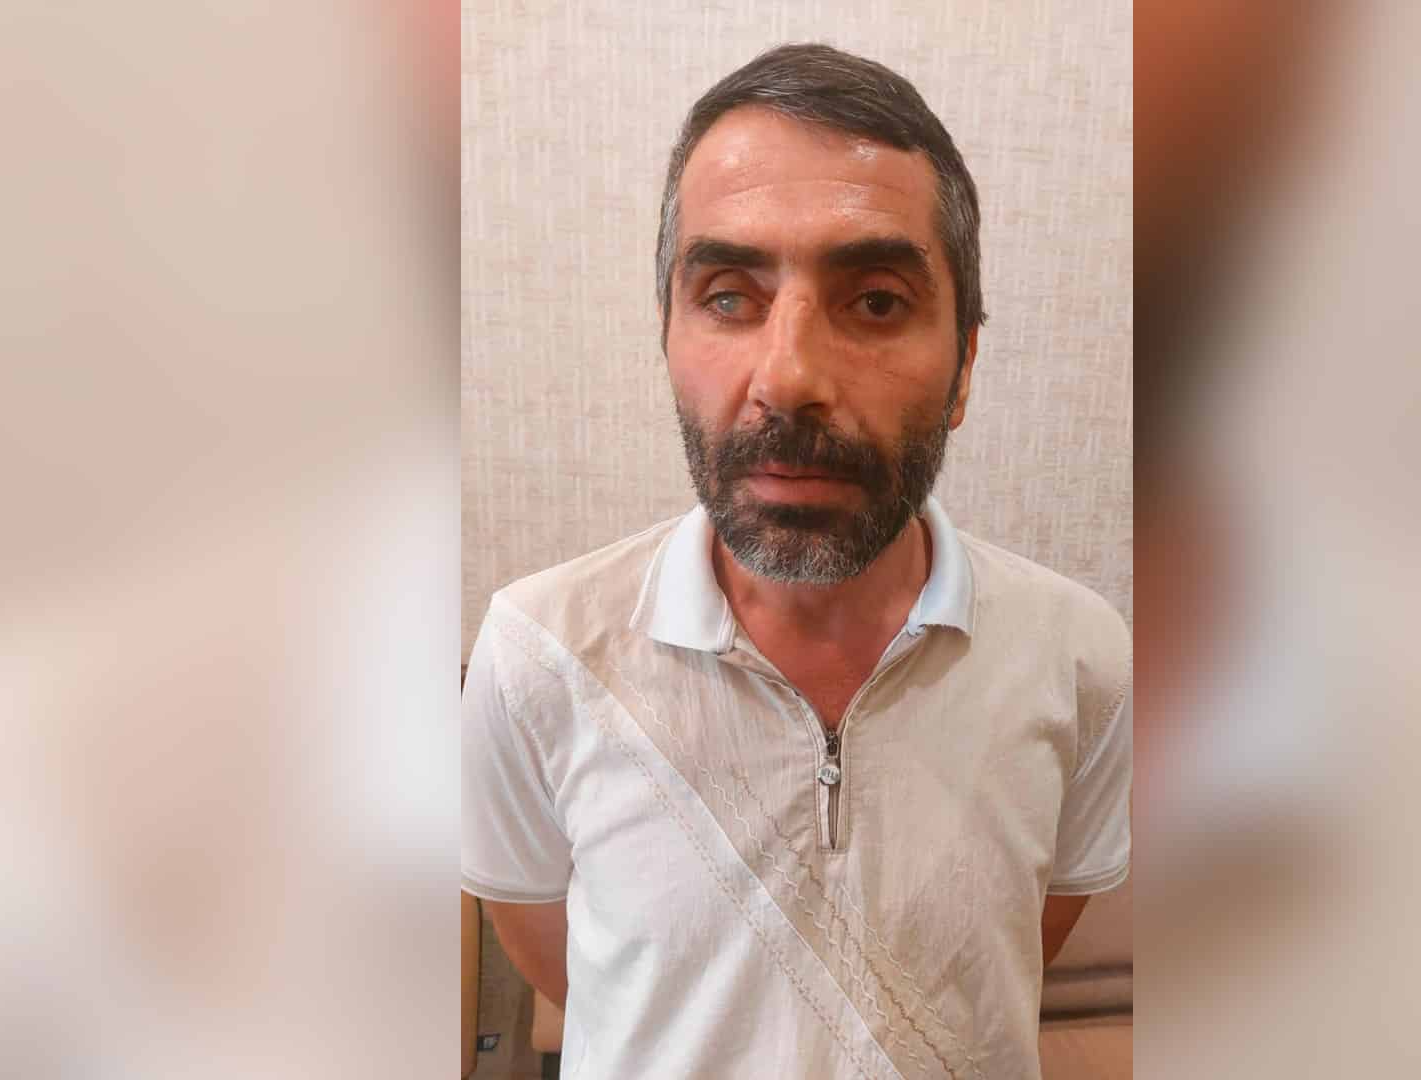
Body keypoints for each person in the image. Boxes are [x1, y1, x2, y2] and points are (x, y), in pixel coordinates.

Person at [463, 43, 1131, 1078]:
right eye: (729, 295)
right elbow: (558, 958)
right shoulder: (535, 654)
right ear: (667, 336)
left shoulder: (1080, 655)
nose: (788, 378)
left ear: (964, 364)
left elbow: (1015, 943)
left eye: (876, 301)